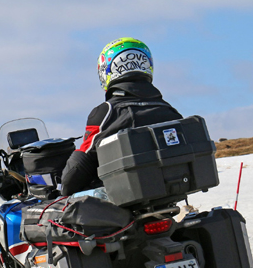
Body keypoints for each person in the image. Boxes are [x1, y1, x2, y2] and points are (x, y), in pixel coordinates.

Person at [60, 38, 183, 196]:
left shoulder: (105, 113)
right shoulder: (170, 112)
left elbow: (76, 171)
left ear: (106, 70)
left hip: (121, 198)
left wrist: (64, 187)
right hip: (169, 192)